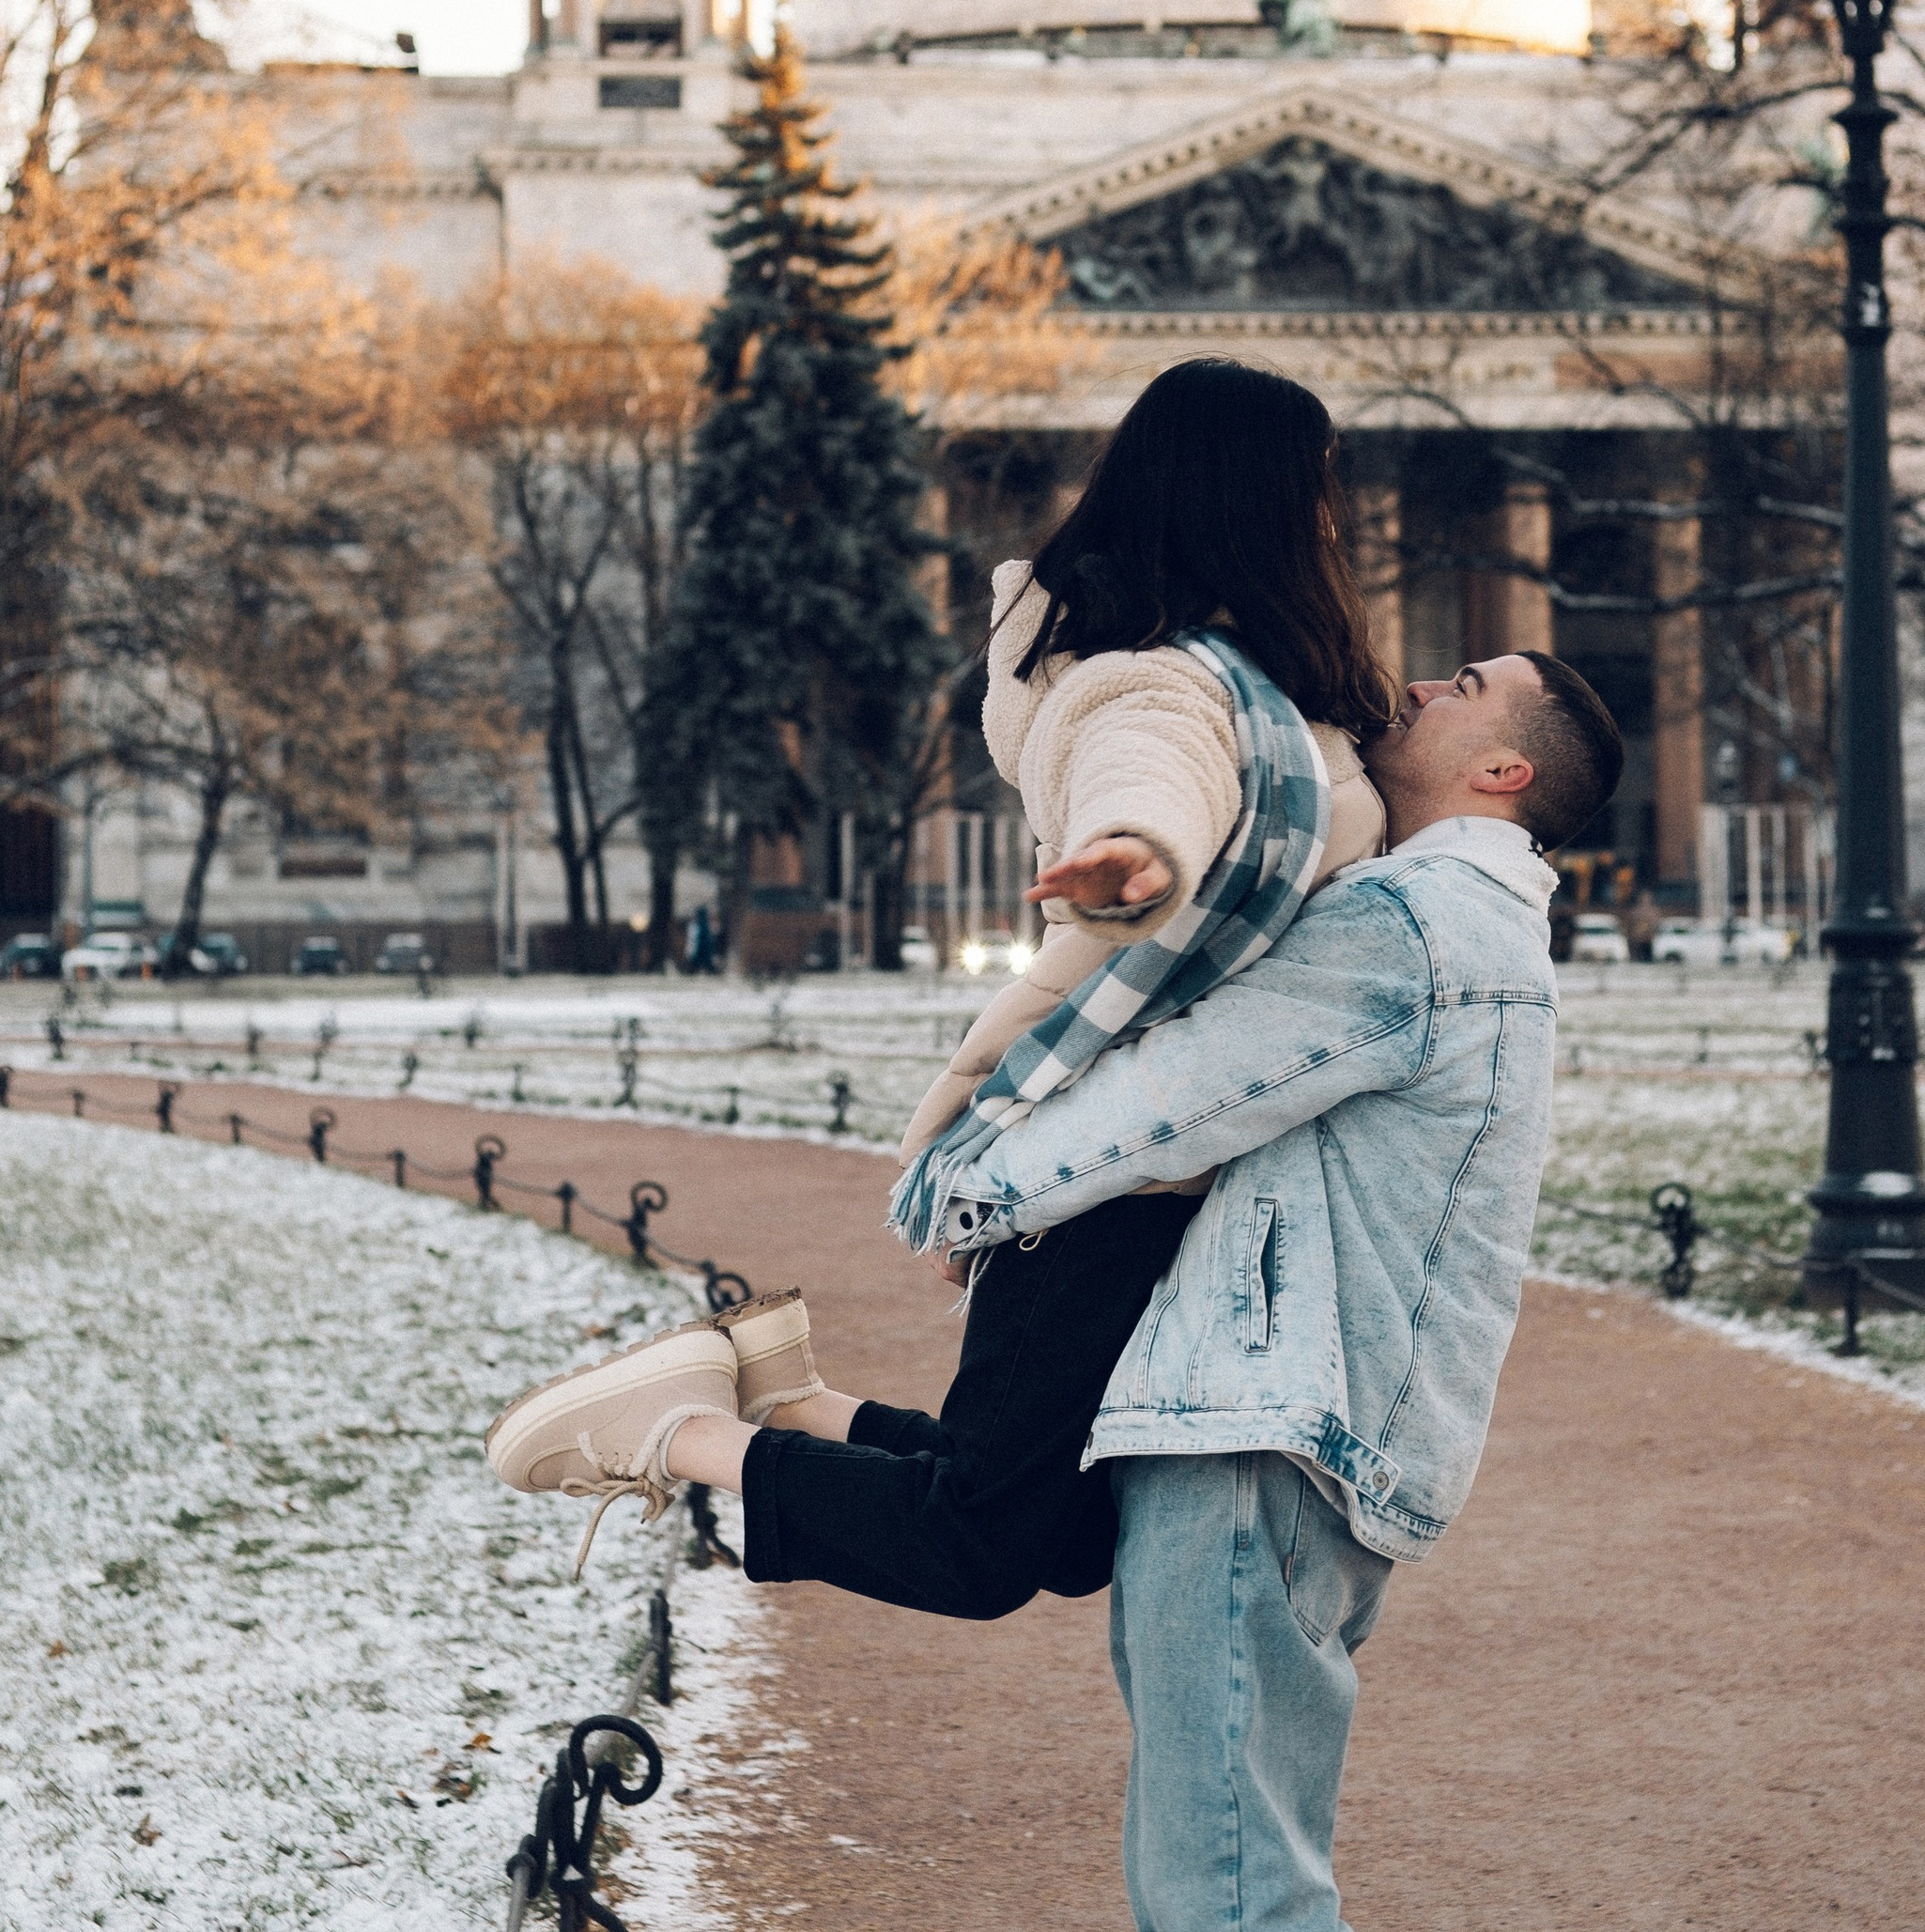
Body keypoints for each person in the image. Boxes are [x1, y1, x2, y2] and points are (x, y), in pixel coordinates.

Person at [497, 630, 1625, 1932]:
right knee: (1216, 1859)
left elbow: (1179, 1099)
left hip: (1273, 1432)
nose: (1423, 684)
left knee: (1224, 1874)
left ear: (1506, 769)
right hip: (1260, 1414)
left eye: (1467, 683)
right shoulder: (1439, 918)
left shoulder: (1418, 927)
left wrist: (971, 1186)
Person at [487, 357, 1393, 1611]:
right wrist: (1141, 856)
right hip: (1107, 1174)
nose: (1337, 523)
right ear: (1262, 501)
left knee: (1071, 1531)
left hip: (1160, 1163)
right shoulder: (1162, 682)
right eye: (1323, 491)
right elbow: (1156, 770)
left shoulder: (1262, 692)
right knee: (981, 1545)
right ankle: (675, 1430)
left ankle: (792, 1401)